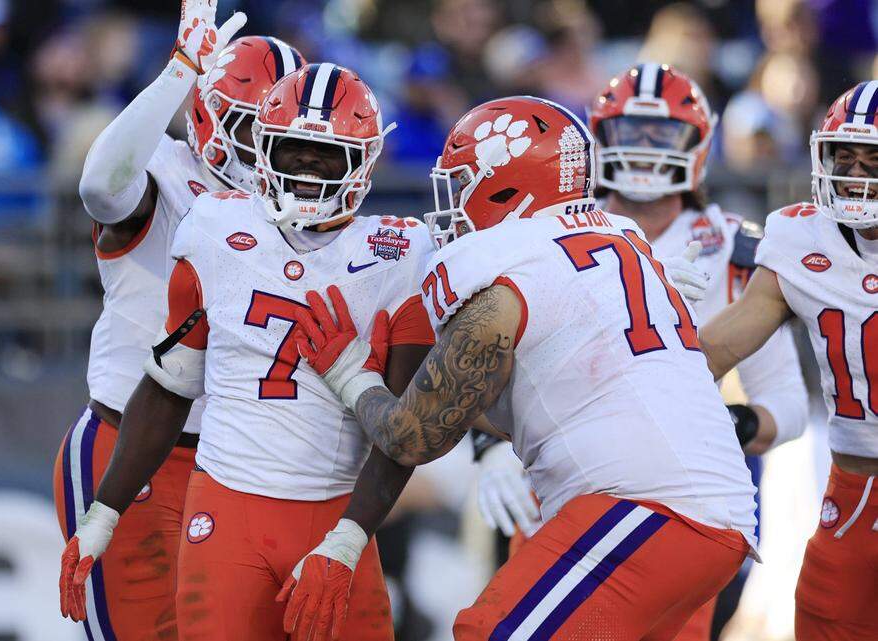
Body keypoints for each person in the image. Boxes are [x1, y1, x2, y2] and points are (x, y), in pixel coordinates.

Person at [294, 96, 759, 640]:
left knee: (489, 632)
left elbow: (412, 436)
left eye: (462, 183)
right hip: (697, 513)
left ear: (507, 186)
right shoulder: (620, 237)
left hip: (647, 508)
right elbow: (517, 398)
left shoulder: (508, 265)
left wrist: (352, 376)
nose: (450, 205)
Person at [59, 61, 436, 641]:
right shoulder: (212, 226)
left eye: (326, 153)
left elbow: (407, 429)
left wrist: (349, 536)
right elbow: (170, 385)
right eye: (293, 149)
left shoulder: (400, 251)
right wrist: (105, 510)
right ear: (264, 149)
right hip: (228, 507)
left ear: (362, 160)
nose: (308, 165)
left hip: (334, 505)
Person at [474, 63, 810, 640]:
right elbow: (492, 350)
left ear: (698, 145)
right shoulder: (547, 224)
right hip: (564, 479)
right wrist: (488, 449)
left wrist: (714, 421)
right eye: (627, 131)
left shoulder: (732, 248)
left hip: (677, 495)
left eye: (661, 134)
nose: (644, 149)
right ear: (596, 140)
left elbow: (788, 405)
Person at [51, 2, 308, 639]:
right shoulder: (167, 173)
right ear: (209, 112)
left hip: (236, 461)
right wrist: (178, 71)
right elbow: (102, 187)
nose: (269, 149)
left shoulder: (303, 214)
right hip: (129, 449)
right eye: (255, 128)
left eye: (286, 133)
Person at [696, 81, 878, 641]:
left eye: (874, 160)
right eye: (842, 156)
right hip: (852, 488)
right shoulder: (801, 239)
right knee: (825, 620)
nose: (855, 173)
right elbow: (717, 349)